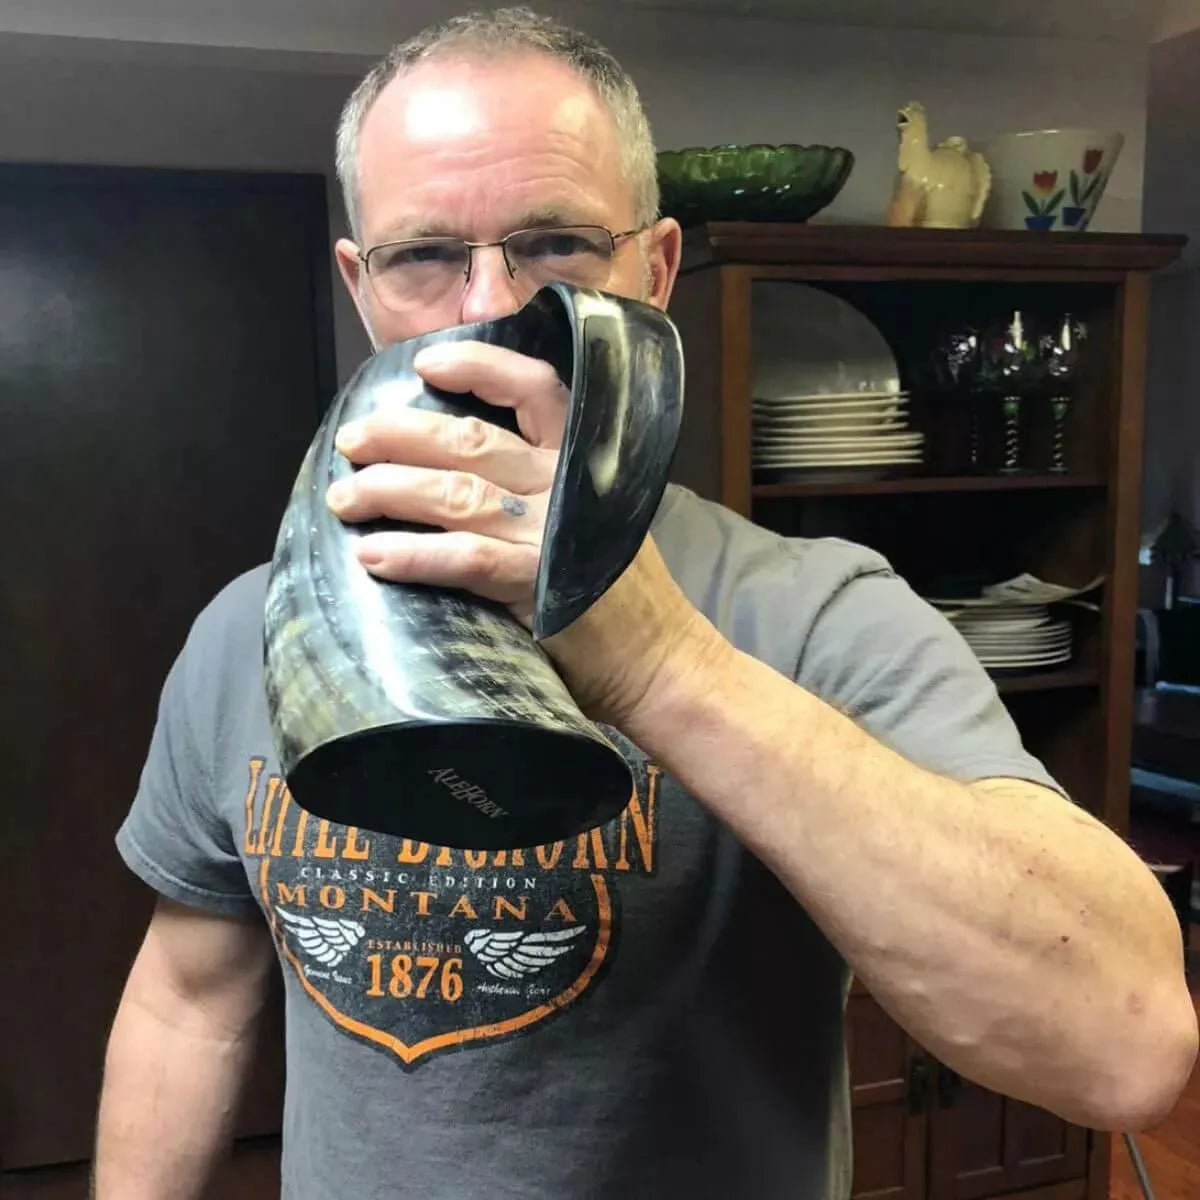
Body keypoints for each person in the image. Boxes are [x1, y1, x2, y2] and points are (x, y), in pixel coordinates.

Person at [95, 8, 1197, 1199]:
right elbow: (186, 1003)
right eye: (424, 257)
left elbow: (1127, 1047)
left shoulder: (816, 615)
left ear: (654, 274)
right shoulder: (244, 632)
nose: (484, 308)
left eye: (556, 244)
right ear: (361, 288)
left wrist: (661, 662)